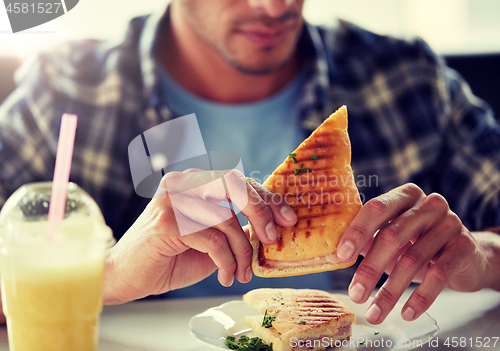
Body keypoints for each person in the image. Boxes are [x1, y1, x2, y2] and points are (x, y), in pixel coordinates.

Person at [0, 0, 499, 326]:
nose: (274, 7)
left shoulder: (406, 79)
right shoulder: (64, 93)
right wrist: (101, 277)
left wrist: (483, 258)